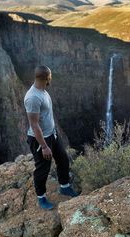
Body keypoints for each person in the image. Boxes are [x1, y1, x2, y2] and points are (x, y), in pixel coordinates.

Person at [24, 65, 78, 210]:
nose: (52, 78)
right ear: (47, 78)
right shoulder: (33, 98)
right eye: (51, 76)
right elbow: (34, 125)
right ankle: (41, 198)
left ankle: (64, 186)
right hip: (40, 139)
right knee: (43, 168)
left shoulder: (42, 91)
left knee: (63, 159)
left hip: (52, 134)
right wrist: (44, 146)